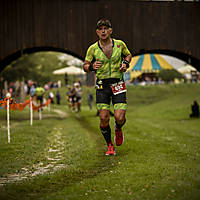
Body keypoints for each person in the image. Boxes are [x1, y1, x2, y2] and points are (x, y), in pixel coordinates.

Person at [83, 19, 132, 155]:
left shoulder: (119, 44)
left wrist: (125, 63)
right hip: (102, 86)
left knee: (119, 117)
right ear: (97, 32)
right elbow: (85, 66)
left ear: (110, 30)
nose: (103, 31)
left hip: (118, 83)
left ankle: (118, 127)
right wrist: (91, 66)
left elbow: (128, 55)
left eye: (106, 28)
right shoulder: (92, 48)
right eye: (100, 29)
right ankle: (110, 145)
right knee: (104, 118)